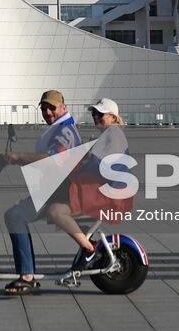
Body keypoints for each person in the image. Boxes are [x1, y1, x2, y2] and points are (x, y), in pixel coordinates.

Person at [0, 89, 82, 295]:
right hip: (54, 189)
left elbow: (52, 158)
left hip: (61, 194)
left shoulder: (66, 131)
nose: (47, 112)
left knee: (15, 216)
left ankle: (27, 276)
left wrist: (18, 157)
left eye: (52, 108)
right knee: (14, 215)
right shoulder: (58, 128)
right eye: (44, 108)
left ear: (64, 107)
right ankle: (28, 275)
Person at [42, 99, 128, 271]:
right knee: (51, 206)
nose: (95, 116)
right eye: (93, 113)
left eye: (100, 114)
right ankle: (85, 238)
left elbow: (97, 165)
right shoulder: (108, 134)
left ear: (112, 117)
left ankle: (89, 249)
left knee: (55, 211)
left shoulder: (113, 135)